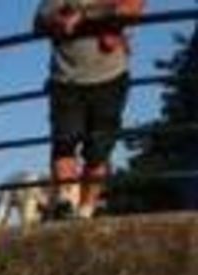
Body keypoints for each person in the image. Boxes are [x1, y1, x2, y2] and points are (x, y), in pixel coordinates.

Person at [33, 0, 146, 218]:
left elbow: (133, 6)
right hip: (66, 82)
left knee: (98, 152)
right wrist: (57, 20)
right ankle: (65, 203)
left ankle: (85, 210)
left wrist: (84, 15)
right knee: (64, 144)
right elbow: (39, 22)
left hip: (109, 78)